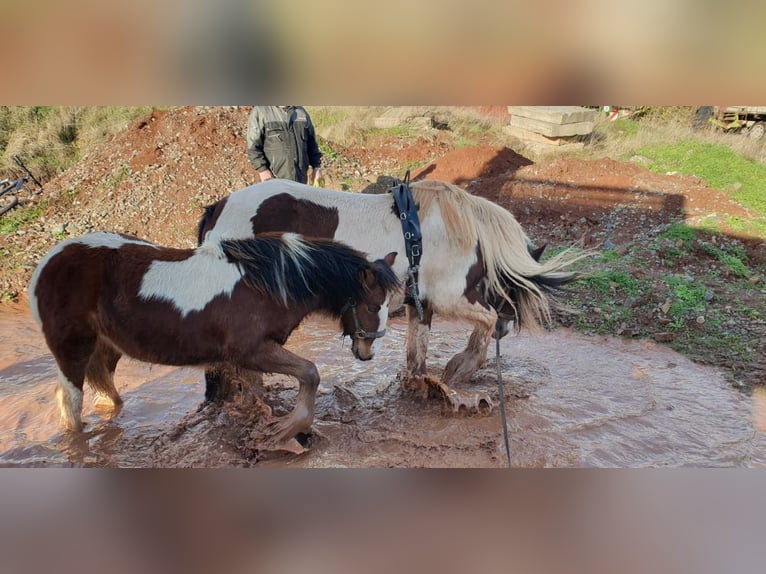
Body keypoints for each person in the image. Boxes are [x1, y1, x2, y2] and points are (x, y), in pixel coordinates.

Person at [246, 106, 323, 185]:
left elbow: (312, 145)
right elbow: (253, 147)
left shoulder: (301, 112)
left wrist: (316, 167)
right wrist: (263, 170)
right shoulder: (261, 111)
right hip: (272, 181)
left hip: (300, 181)